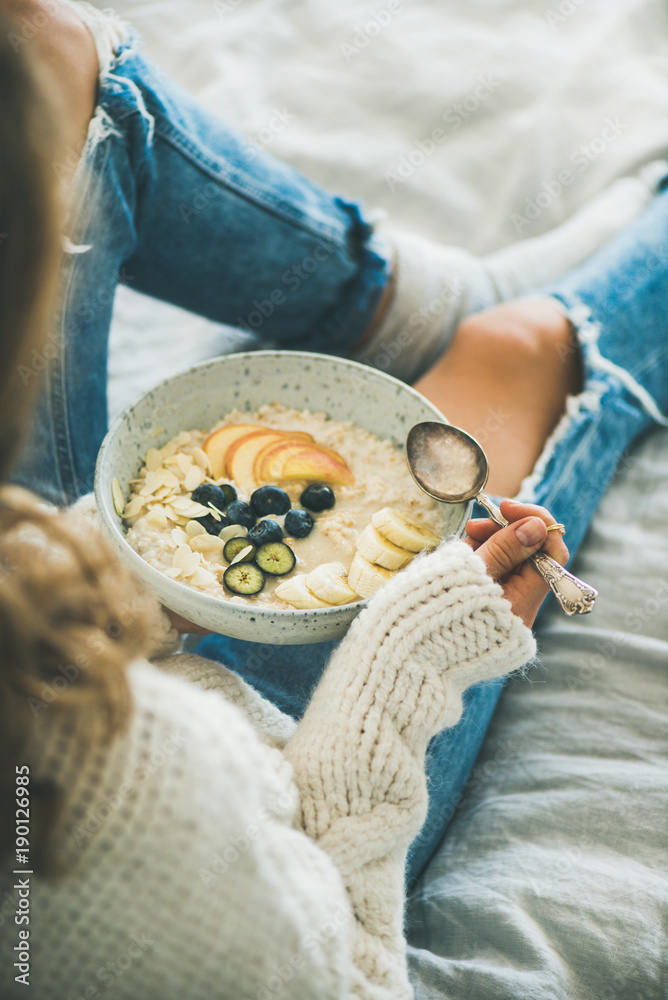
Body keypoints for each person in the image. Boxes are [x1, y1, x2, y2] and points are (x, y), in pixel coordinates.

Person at [0, 3, 667, 996]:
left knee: (44, 51)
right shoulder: (124, 794)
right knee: (516, 350)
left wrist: (109, 564)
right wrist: (410, 658)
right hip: (262, 775)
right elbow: (346, 970)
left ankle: (415, 296)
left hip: (65, 621)